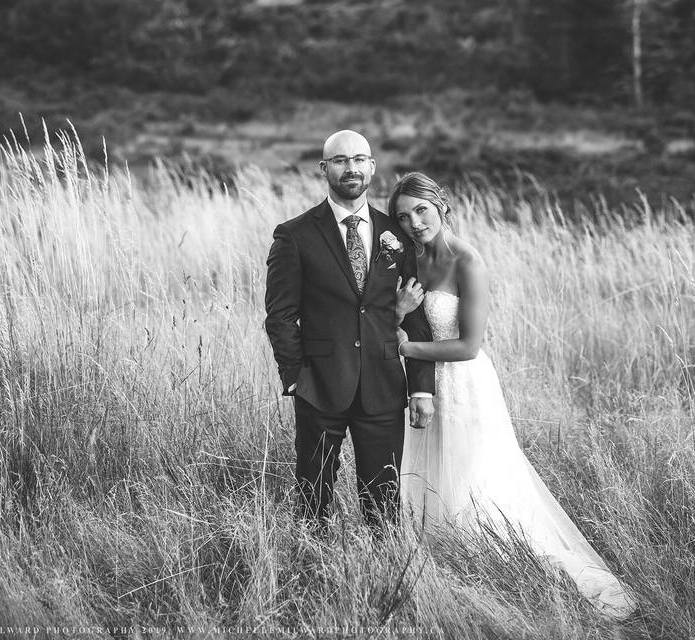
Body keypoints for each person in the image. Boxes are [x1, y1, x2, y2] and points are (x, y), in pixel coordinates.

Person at [390, 172, 637, 619]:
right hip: (425, 386)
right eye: (404, 217)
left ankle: (506, 566)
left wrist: (403, 346)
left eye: (421, 210)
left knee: (473, 483)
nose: (415, 223)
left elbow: (469, 346)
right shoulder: (411, 258)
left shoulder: (467, 261)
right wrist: (399, 315)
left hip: (466, 386)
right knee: (430, 480)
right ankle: (447, 571)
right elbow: (406, 317)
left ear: (441, 204)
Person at [265, 131, 436, 530]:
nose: (352, 168)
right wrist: (295, 377)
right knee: (313, 497)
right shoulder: (295, 235)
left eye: (360, 159)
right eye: (341, 160)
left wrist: (421, 388)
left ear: (372, 167)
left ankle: (380, 577)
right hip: (320, 385)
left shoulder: (397, 235)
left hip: (383, 384)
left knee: (383, 502)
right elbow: (280, 315)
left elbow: (415, 315)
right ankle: (310, 572)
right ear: (325, 169)